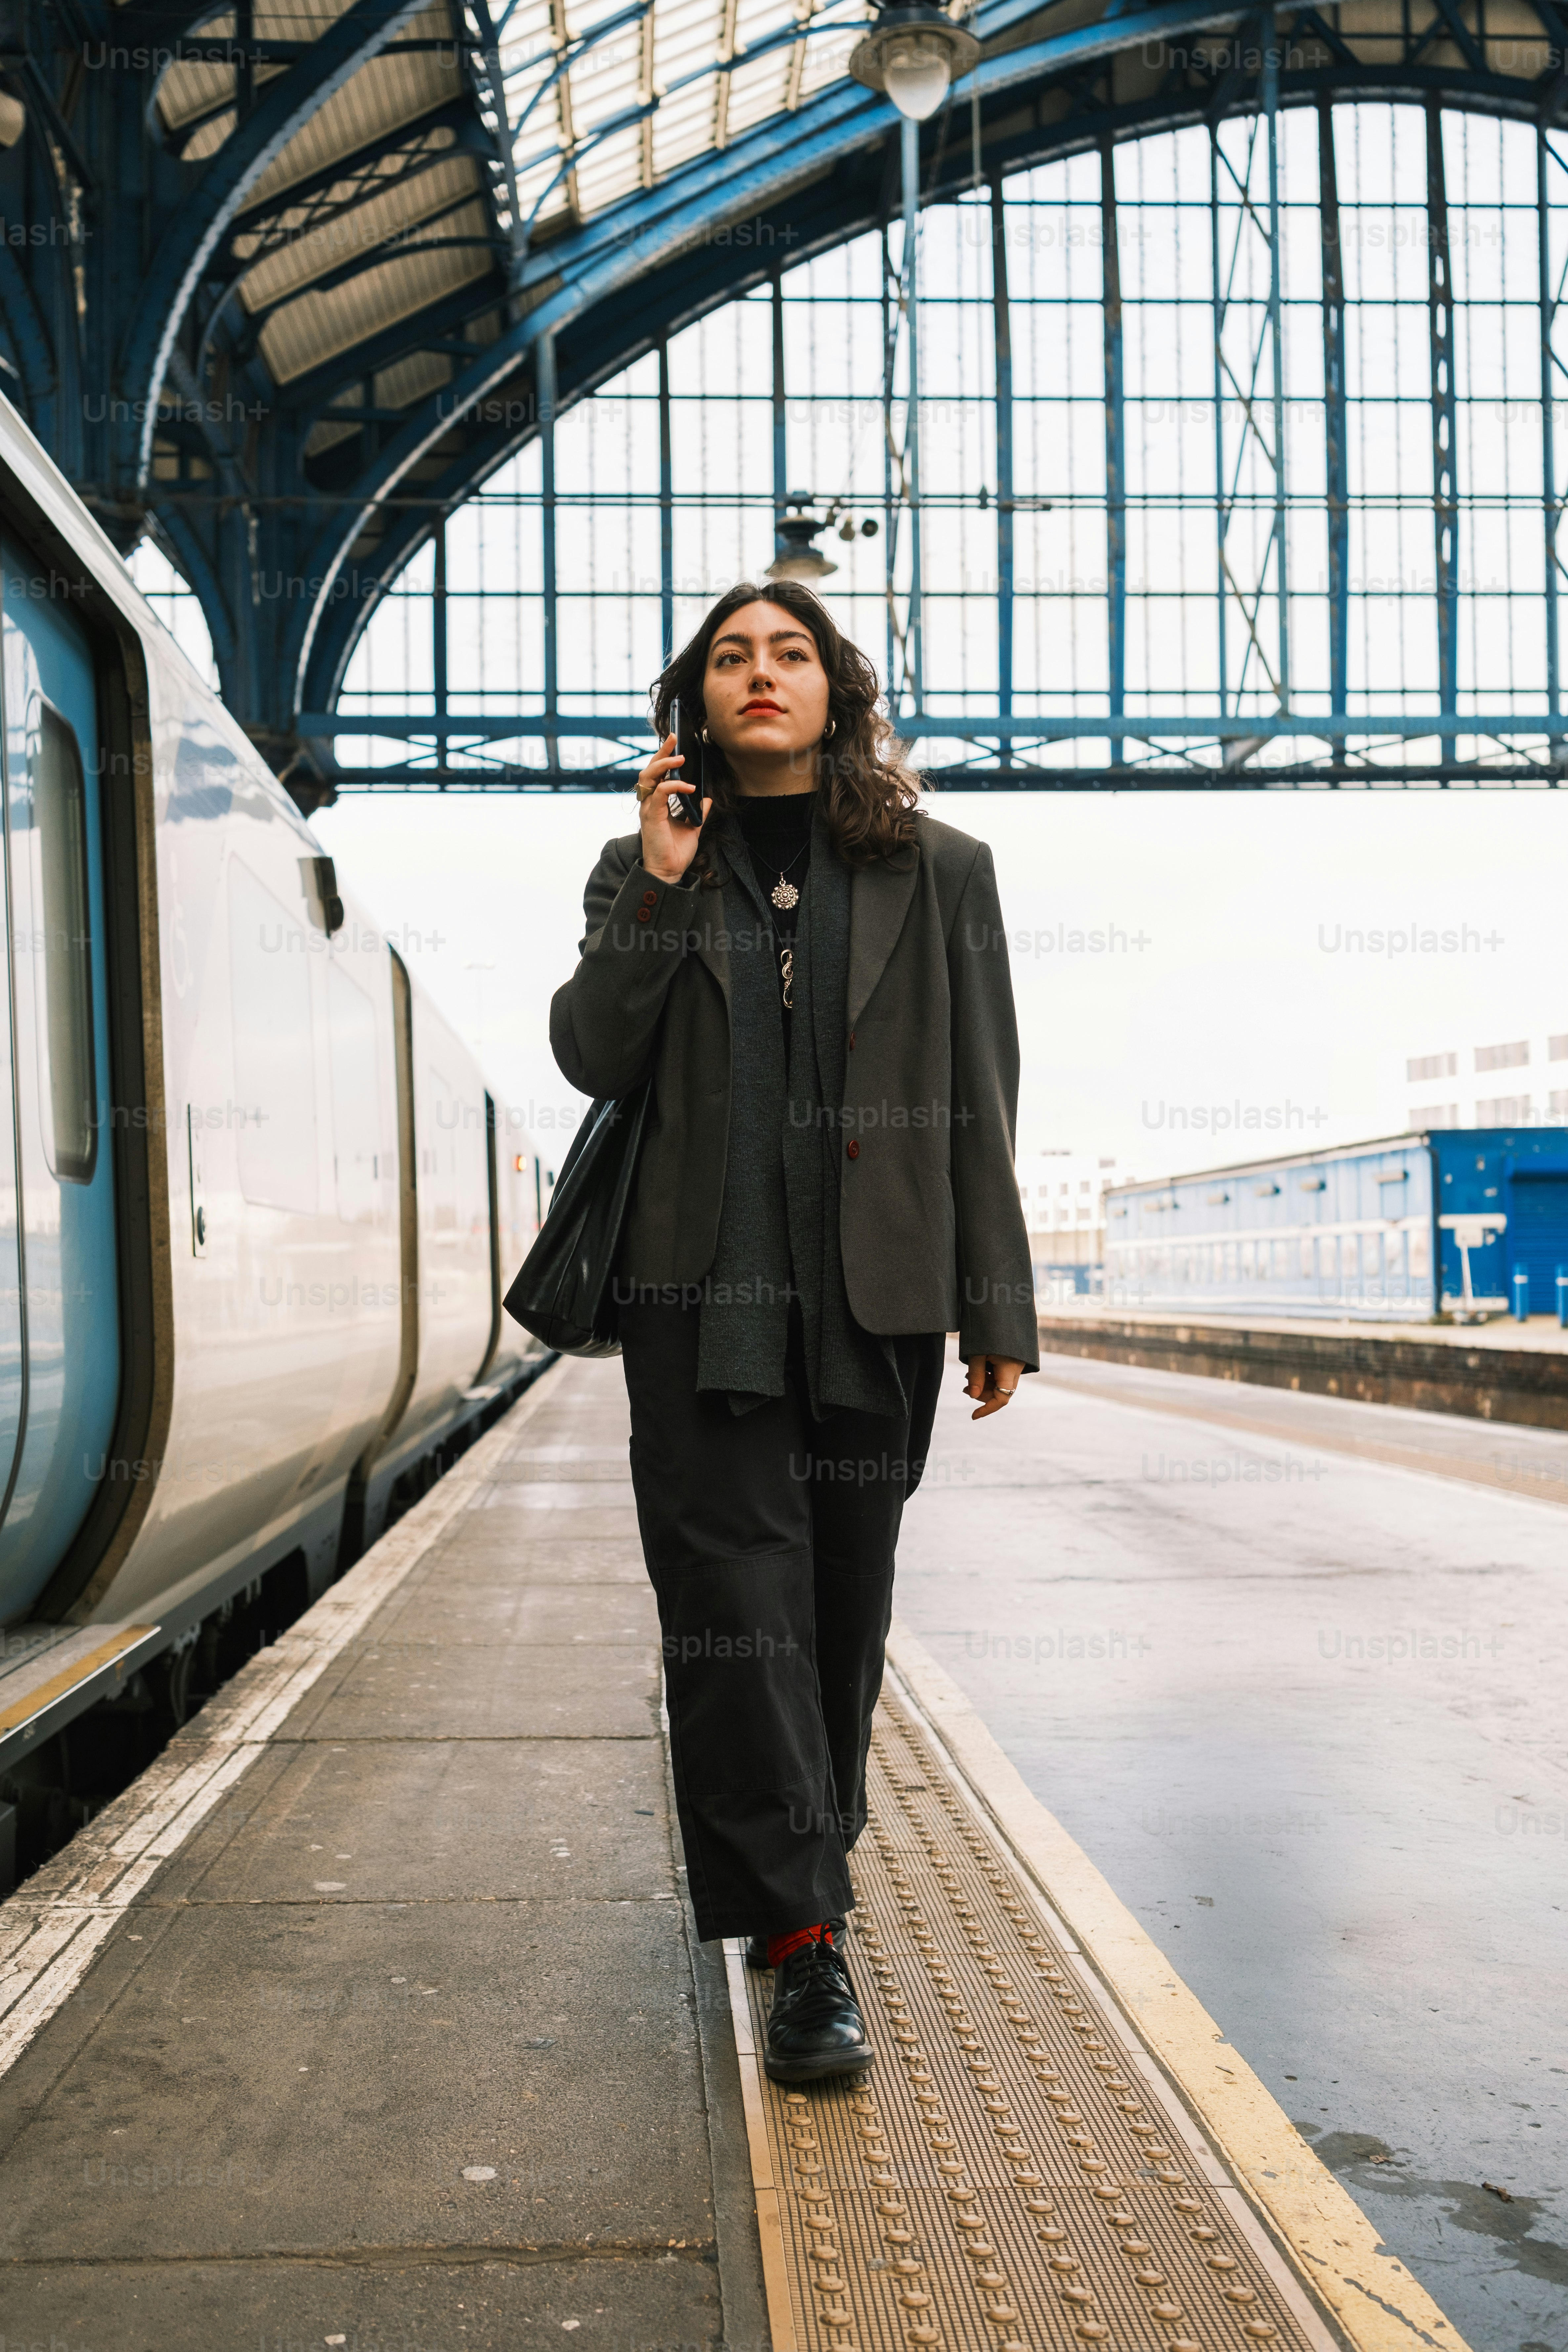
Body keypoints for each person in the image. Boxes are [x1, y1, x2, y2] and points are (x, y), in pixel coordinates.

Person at [550, 579, 1037, 2082]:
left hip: (873, 1299)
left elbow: (980, 1096)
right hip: (696, 1299)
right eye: (730, 657)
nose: (762, 674)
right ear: (695, 700)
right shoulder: (644, 865)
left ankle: (802, 1863)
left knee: (838, 1609)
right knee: (734, 1606)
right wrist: (657, 874)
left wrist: (996, 1296)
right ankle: (806, 1942)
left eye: (792, 654)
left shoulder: (942, 871)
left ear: (837, 689)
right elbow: (590, 1050)